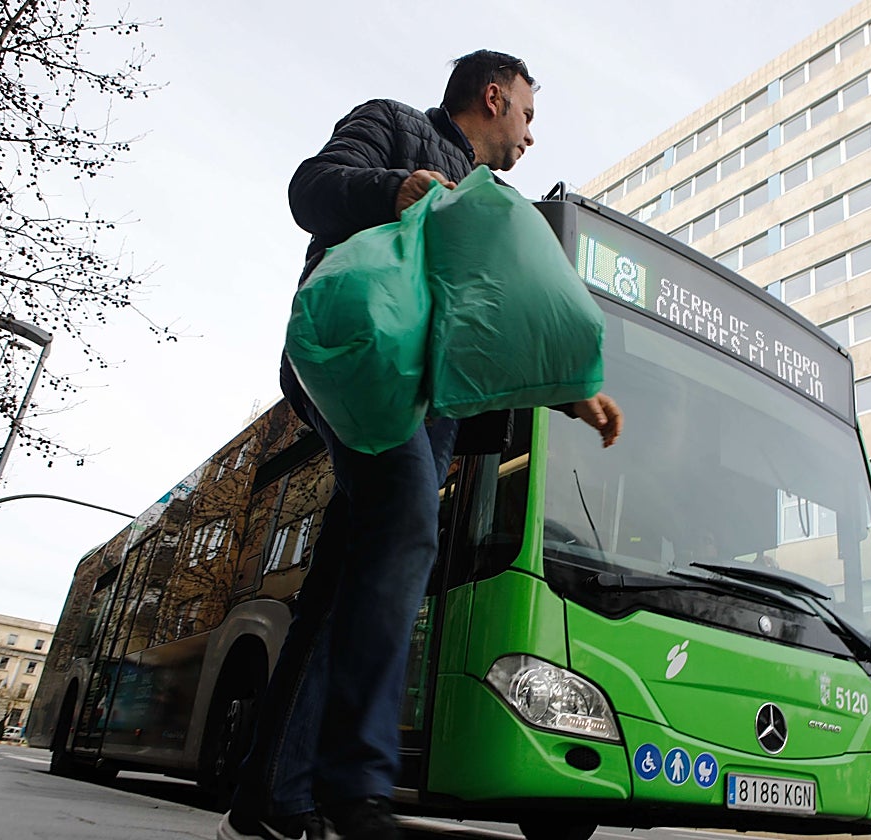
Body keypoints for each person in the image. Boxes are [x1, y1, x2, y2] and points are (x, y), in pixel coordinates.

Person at [218, 51, 624, 840]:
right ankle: (357, 787)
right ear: (494, 95)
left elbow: (494, 323)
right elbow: (311, 190)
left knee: (344, 584)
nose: (531, 137)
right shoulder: (397, 125)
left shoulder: (494, 201)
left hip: (427, 404)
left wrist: (569, 391)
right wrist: (392, 189)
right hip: (357, 361)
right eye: (529, 116)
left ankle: (271, 796)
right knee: (407, 523)